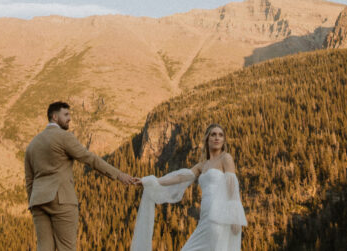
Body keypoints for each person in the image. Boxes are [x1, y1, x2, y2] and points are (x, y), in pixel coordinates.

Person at [25, 101, 140, 251]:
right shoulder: (63, 137)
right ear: (54, 116)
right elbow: (90, 159)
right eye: (65, 114)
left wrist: (32, 202)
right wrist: (119, 175)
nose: (69, 118)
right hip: (61, 199)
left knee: (44, 248)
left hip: (38, 201)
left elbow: (29, 180)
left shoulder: (32, 144)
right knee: (66, 248)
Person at [130, 123, 247, 251]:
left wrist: (235, 216)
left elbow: (232, 185)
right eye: (213, 134)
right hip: (205, 217)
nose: (217, 138)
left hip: (220, 216)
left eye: (220, 135)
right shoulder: (202, 165)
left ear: (224, 140)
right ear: (207, 139)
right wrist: (152, 181)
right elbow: (180, 177)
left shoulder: (226, 158)